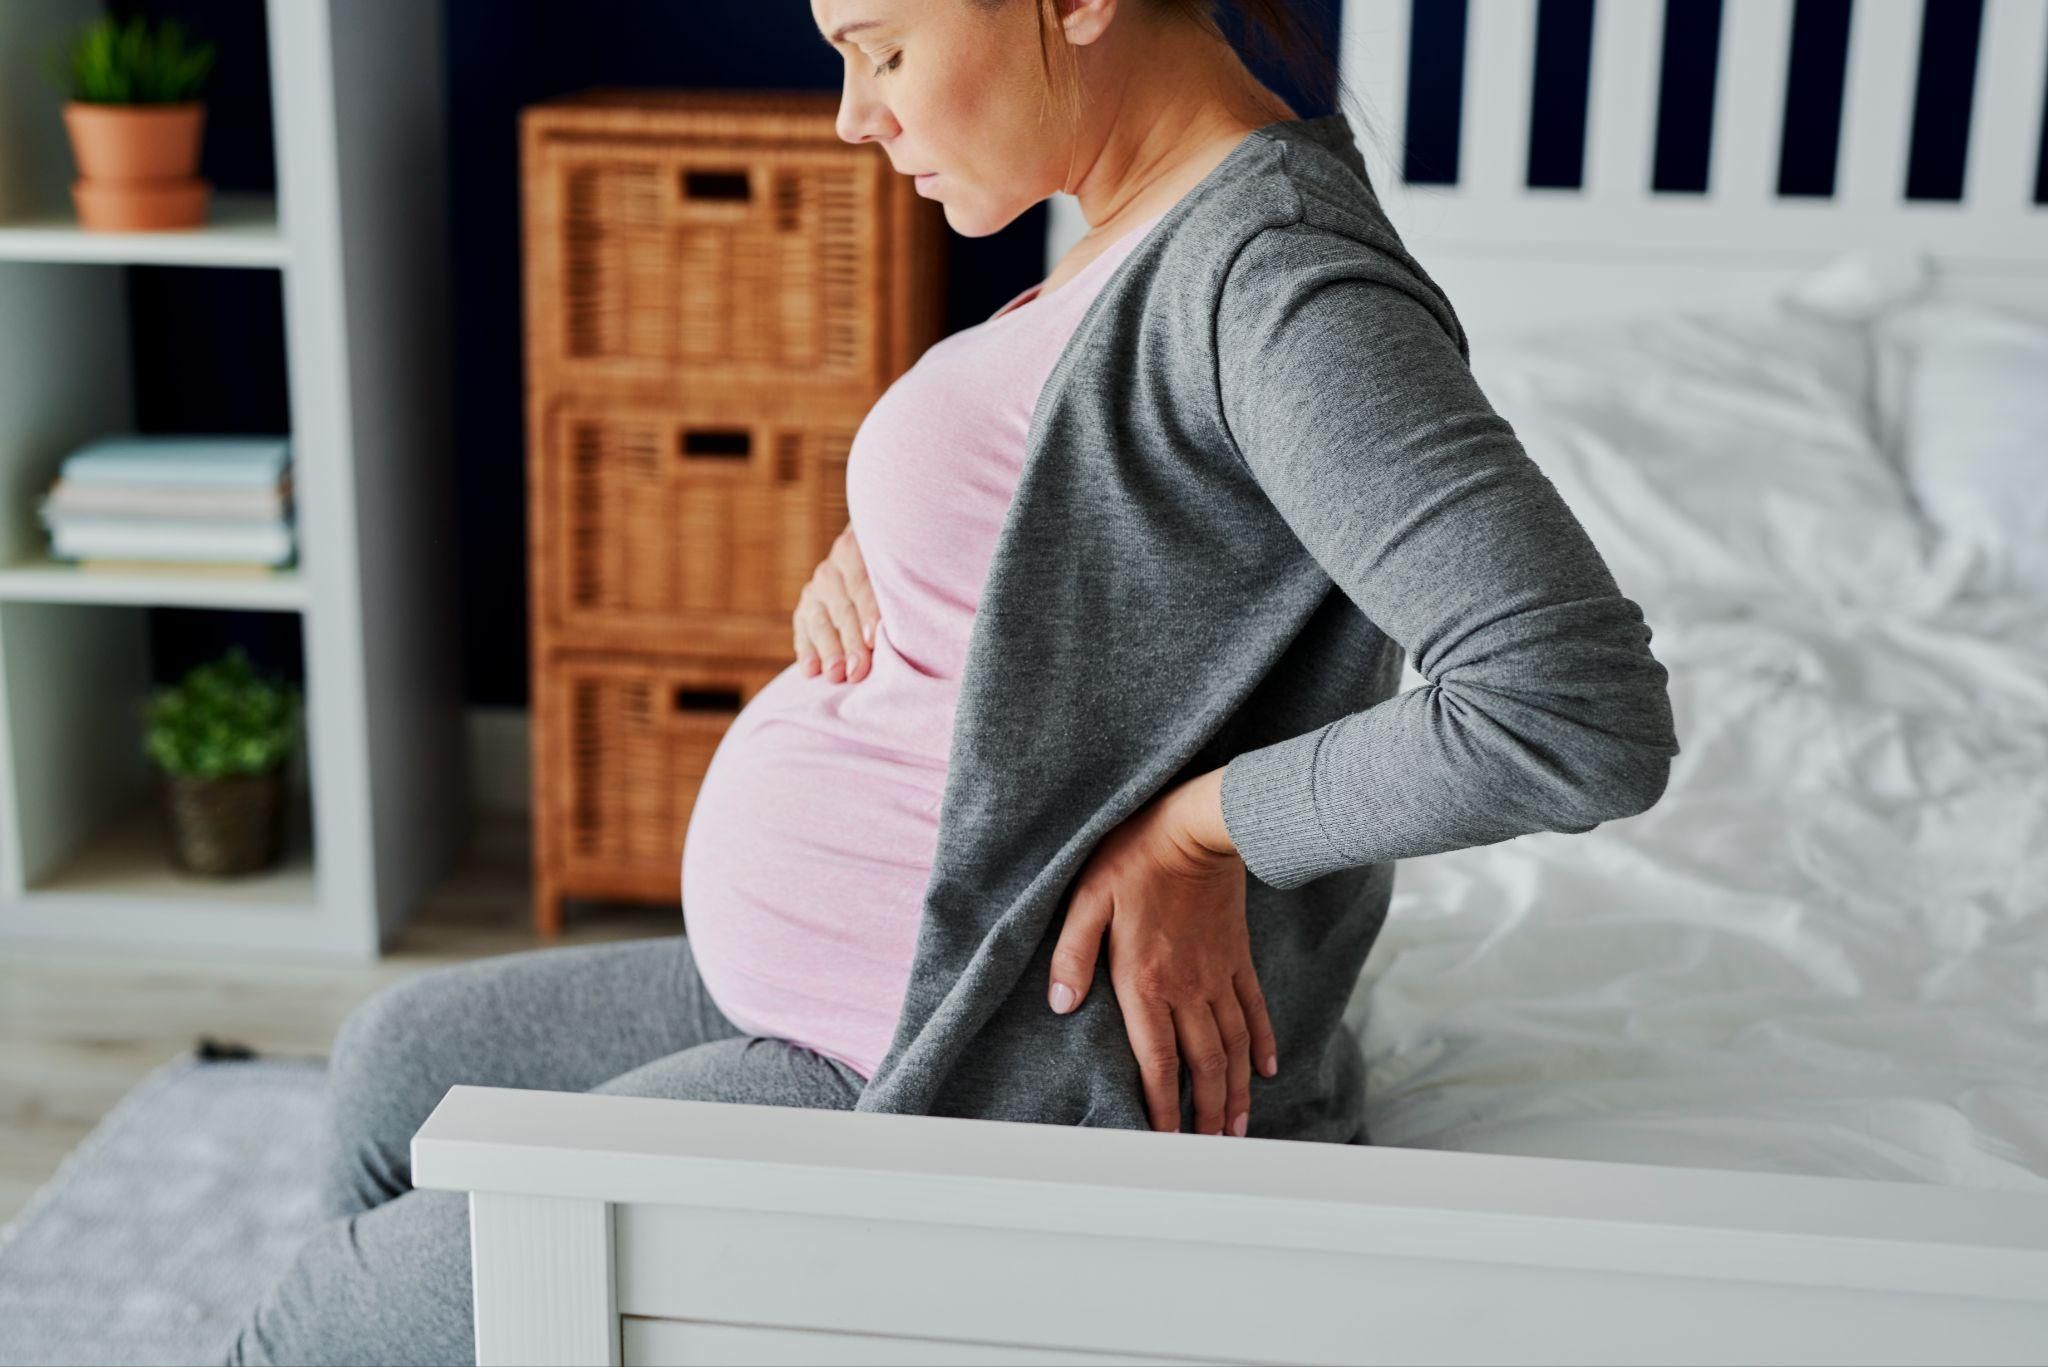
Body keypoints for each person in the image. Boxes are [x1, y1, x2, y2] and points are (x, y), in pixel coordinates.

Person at [220, 0, 1679, 1360]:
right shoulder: (1137, 225)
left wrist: (1199, 829)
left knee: (312, 1323)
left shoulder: (1282, 278)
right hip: (901, 985)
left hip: (960, 1065)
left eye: (884, 51)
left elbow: (1566, 709)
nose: (855, 117)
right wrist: (889, 539)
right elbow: (1137, 553)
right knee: (396, 1055)